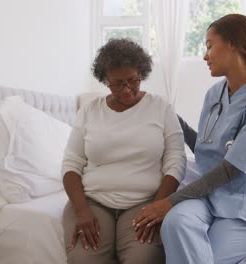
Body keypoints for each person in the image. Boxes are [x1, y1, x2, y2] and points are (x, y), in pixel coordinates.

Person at [133, 14, 246, 264]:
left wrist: (169, 201)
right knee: (175, 222)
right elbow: (206, 149)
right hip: (210, 195)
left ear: (232, 44)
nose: (205, 55)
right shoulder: (214, 94)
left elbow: (230, 170)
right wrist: (170, 116)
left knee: (205, 258)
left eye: (209, 45)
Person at [61, 38, 186, 264]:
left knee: (144, 259)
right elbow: (71, 163)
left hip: (144, 202)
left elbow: (176, 160)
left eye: (133, 80)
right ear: (105, 80)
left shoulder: (161, 107)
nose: (127, 90)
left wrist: (157, 206)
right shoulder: (90, 111)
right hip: (92, 202)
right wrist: (81, 211)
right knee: (83, 259)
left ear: (142, 73)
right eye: (118, 83)